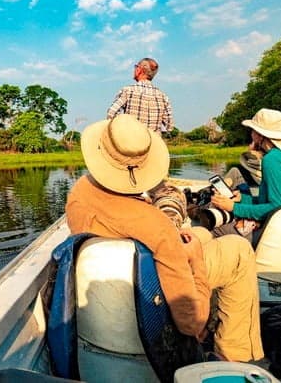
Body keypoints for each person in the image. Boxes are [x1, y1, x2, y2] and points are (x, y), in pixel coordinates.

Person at [66, 114, 264, 363]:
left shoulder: (79, 192)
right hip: (151, 299)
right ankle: (235, 357)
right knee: (238, 250)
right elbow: (191, 322)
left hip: (122, 285)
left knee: (201, 233)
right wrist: (197, 265)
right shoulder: (155, 225)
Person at [210, 108, 281, 228]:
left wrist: (233, 207)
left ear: (261, 135)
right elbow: (272, 201)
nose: (251, 134)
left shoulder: (271, 160)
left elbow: (277, 208)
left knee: (215, 229)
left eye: (253, 130)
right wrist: (243, 199)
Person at [106, 57, 173, 133]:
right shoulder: (163, 97)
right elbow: (169, 126)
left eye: (136, 67)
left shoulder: (128, 91)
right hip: (153, 142)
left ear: (139, 70)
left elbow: (111, 113)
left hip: (131, 139)